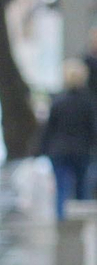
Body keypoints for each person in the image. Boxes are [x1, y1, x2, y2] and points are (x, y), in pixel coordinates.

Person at [40, 58, 97, 222]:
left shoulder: (58, 102)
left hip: (59, 151)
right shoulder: (88, 103)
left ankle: (61, 222)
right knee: (82, 190)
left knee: (61, 190)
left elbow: (48, 130)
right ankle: (80, 225)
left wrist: (41, 150)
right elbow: (93, 129)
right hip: (82, 151)